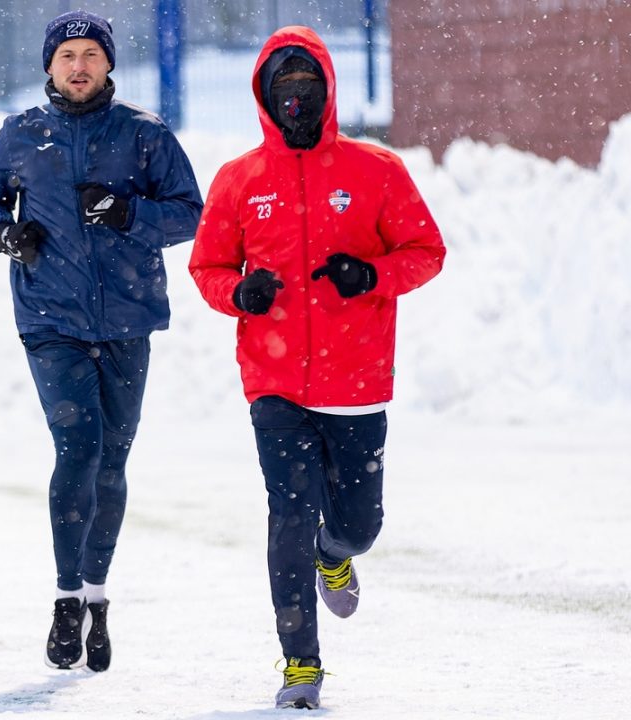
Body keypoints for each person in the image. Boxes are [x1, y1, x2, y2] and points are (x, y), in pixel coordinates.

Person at [188, 26, 446, 710]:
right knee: (289, 516)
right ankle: (301, 665)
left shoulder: (376, 171)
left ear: (328, 88)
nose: (296, 95)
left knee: (360, 527)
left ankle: (337, 552)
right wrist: (239, 293)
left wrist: (371, 276)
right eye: (284, 85)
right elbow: (208, 267)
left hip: (355, 381)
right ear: (264, 95)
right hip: (273, 383)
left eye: (307, 82)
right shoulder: (239, 179)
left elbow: (426, 252)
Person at [0, 10, 202, 673]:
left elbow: (189, 212)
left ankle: (98, 595)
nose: (78, 65)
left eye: (90, 54)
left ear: (108, 64)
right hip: (51, 321)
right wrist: (4, 235)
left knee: (112, 464)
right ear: (49, 65)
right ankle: (67, 598)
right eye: (66, 54)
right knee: (79, 449)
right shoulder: (22, 133)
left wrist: (128, 213)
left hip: (127, 320)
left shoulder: (143, 133)